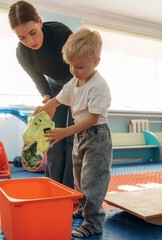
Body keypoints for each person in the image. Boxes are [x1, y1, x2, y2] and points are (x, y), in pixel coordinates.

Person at [33, 28, 112, 238]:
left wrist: (65, 132)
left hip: (97, 136)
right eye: (70, 65)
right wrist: (43, 108)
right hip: (81, 135)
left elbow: (93, 118)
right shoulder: (74, 81)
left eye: (79, 66)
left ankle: (94, 222)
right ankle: (83, 209)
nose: (74, 70)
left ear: (96, 61)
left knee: (92, 180)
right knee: (78, 177)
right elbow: (59, 99)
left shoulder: (98, 86)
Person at [8, 1, 74, 188]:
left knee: (71, 137)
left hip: (76, 82)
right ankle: (53, 186)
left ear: (39, 21)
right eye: (21, 38)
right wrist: (47, 101)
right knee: (52, 136)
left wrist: (63, 98)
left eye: (33, 33)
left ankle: (71, 189)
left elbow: (77, 67)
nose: (30, 42)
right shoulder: (22, 53)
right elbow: (39, 80)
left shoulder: (61, 33)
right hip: (53, 85)